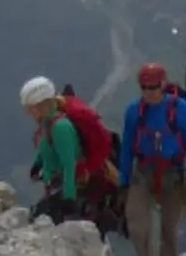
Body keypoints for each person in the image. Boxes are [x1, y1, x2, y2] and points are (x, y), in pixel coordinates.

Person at [120, 62, 186, 256]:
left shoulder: (180, 110)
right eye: (144, 87)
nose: (148, 93)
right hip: (143, 171)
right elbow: (127, 147)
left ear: (163, 85)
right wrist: (123, 182)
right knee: (137, 224)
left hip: (174, 173)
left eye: (153, 87)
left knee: (170, 229)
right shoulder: (134, 112)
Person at [20, 76, 123, 238]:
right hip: (60, 186)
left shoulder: (61, 128)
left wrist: (69, 199)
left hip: (73, 188)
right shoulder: (49, 124)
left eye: (29, 108)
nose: (27, 112)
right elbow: (47, 147)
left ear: (40, 105)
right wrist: (38, 163)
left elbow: (70, 165)